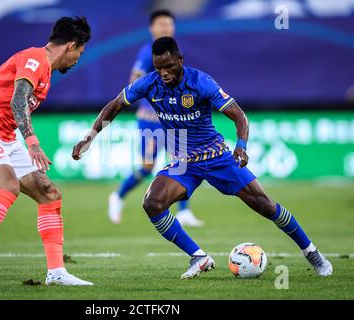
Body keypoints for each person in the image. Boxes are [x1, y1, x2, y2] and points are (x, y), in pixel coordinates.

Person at [72, 37, 333, 279]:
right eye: (159, 67)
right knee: (153, 203)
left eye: (169, 66)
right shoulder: (149, 83)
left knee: (266, 206)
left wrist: (241, 146)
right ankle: (198, 257)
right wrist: (90, 137)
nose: (164, 73)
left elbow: (239, 116)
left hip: (217, 156)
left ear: (180, 60)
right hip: (183, 161)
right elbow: (115, 105)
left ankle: (312, 252)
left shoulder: (201, 82)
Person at [0, 16, 93, 286]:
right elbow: (18, 97)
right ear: (72, 45)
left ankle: (56, 272)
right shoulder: (36, 59)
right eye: (80, 52)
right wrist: (31, 141)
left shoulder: (46, 72)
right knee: (9, 185)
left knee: (49, 193)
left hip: (3, 137)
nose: (78, 59)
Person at [109, 10, 203, 227]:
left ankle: (184, 211)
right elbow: (135, 79)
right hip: (151, 119)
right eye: (161, 24)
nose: (165, 28)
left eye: (168, 24)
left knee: (181, 162)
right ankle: (118, 195)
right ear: (152, 28)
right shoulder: (147, 52)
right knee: (147, 167)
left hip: (172, 117)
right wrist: (148, 101)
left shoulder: (174, 50)